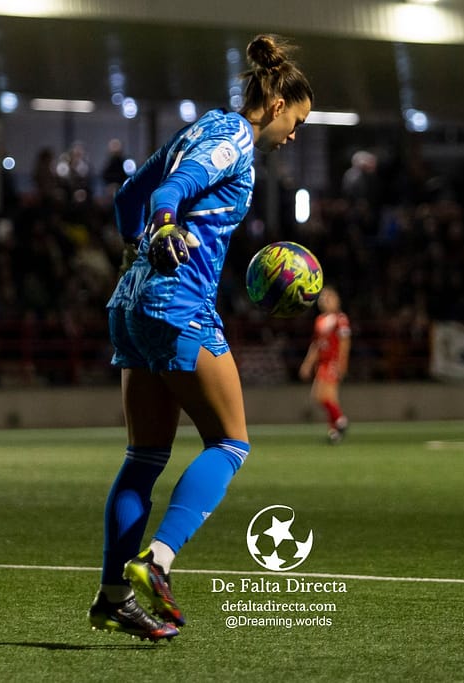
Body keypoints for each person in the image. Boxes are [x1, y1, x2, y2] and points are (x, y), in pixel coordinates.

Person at [87, 34, 313, 641]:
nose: (295, 134)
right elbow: (165, 195)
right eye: (297, 120)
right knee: (231, 444)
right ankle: (156, 561)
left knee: (144, 458)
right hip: (176, 302)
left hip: (132, 302)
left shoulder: (202, 126)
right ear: (276, 103)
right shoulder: (233, 141)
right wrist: (163, 229)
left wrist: (140, 244)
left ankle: (113, 597)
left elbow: (127, 196)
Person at [299, 287, 351, 443]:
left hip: (332, 362)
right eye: (322, 298)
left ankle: (340, 420)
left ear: (337, 300)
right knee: (330, 398)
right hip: (322, 362)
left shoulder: (340, 319)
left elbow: (345, 342)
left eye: (329, 297)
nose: (324, 301)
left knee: (319, 395)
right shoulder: (320, 320)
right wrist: (308, 363)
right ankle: (335, 431)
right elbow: (316, 344)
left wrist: (342, 363)